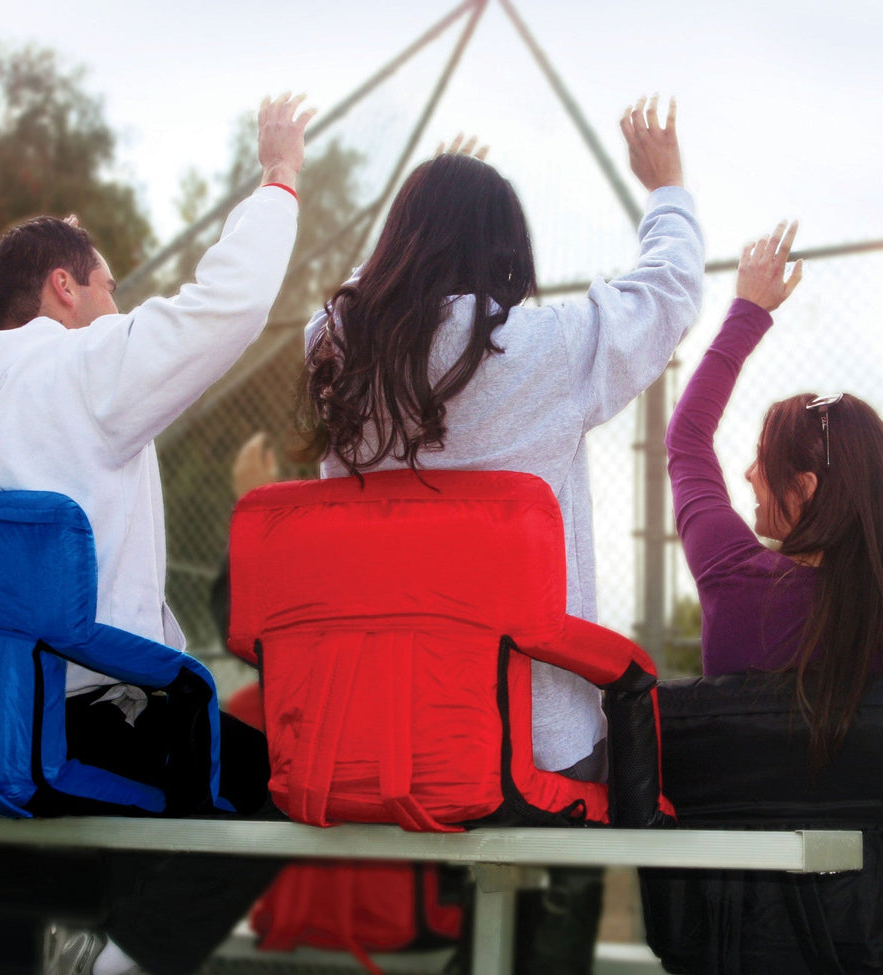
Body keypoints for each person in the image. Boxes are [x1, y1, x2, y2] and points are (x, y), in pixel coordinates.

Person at [0, 94, 315, 975]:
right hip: (81, 723)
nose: (115, 304)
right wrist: (278, 176)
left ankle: (96, 943)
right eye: (106, 287)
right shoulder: (79, 365)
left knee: (156, 799)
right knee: (291, 777)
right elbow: (226, 305)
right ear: (64, 289)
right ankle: (114, 964)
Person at [300, 96, 701, 975]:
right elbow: (666, 295)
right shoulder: (544, 352)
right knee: (584, 807)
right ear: (507, 251)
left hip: (372, 723)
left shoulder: (329, 349)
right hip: (521, 739)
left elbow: (376, 299)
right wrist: (666, 188)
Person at [663, 221, 883, 805]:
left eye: (760, 461)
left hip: (740, 889)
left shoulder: (730, 574)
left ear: (803, 488)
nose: (749, 474)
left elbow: (687, 438)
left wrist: (748, 310)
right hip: (866, 888)